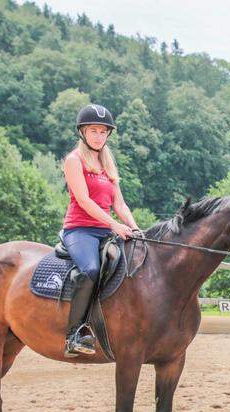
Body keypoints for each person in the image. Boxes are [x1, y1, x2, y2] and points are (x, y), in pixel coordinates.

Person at [60, 104, 140, 358]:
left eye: (103, 131)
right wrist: (114, 225)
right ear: (83, 132)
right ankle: (74, 333)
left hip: (105, 230)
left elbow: (119, 204)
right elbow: (84, 200)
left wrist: (135, 227)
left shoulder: (107, 163)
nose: (98, 136)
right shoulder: (74, 160)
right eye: (93, 130)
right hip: (80, 230)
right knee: (91, 270)